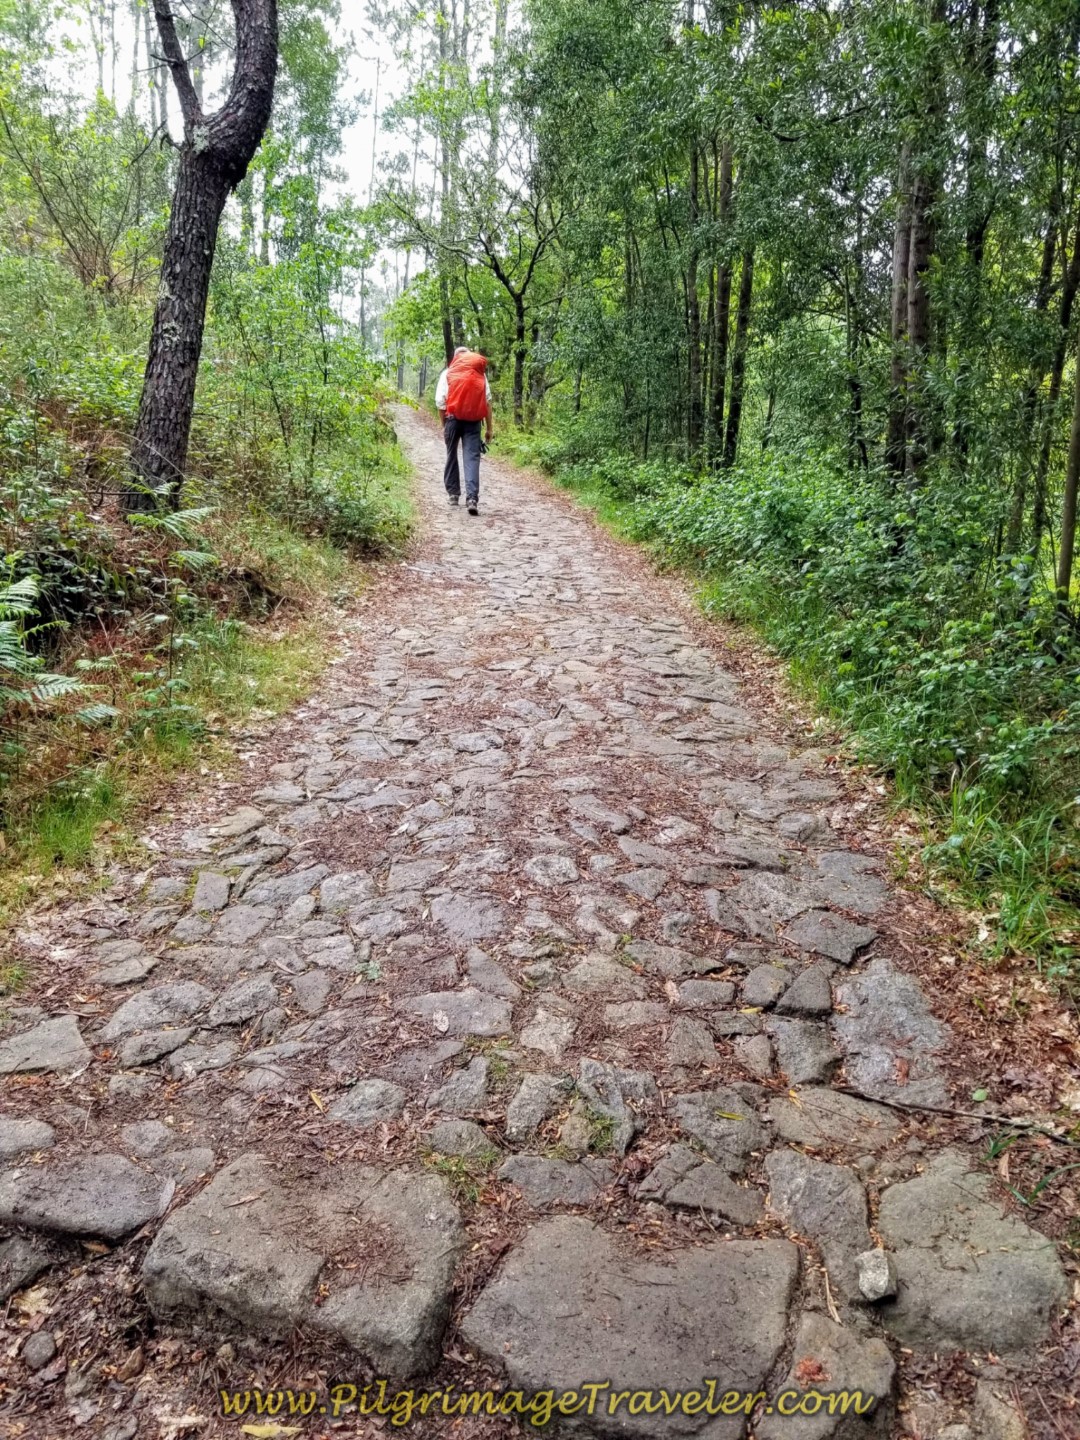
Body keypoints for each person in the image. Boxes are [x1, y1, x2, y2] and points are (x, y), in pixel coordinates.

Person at [435, 346, 494, 516]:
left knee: (451, 454)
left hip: (452, 419)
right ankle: (472, 499)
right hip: (474, 421)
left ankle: (453, 495)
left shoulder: (447, 373)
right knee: (472, 458)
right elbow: (488, 401)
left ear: (455, 358)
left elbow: (440, 402)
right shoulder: (479, 373)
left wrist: (444, 425)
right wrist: (489, 428)